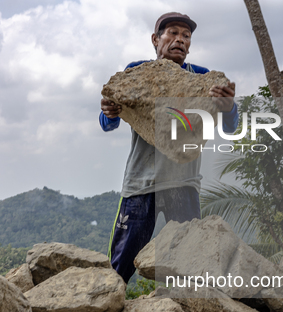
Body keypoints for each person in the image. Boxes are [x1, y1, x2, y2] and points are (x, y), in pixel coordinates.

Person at [100, 12, 239, 283]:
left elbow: (231, 126)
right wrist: (110, 112)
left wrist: (229, 106)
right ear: (156, 39)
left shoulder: (202, 78)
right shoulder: (137, 72)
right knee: (121, 264)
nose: (180, 40)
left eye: (186, 36)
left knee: (191, 262)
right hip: (142, 183)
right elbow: (108, 124)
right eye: (172, 33)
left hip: (183, 184)